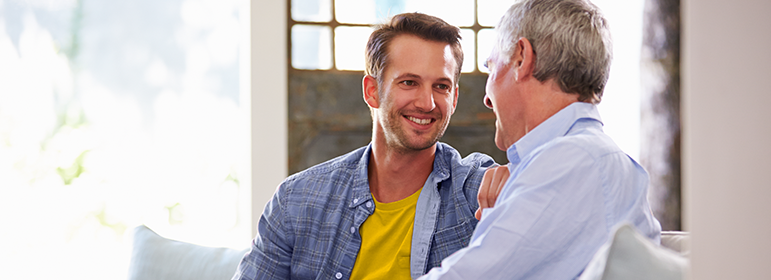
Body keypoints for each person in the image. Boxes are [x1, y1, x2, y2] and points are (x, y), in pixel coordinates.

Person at [232, 13, 498, 280]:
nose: (427, 102)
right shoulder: (296, 202)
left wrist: (521, 175)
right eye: (409, 82)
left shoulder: (476, 192)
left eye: (441, 86)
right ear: (372, 90)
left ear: (454, 99)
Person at [417, 0, 662, 279]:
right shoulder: (588, 158)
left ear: (522, 57)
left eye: (491, 67)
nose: (486, 98)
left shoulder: (571, 162)